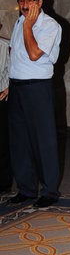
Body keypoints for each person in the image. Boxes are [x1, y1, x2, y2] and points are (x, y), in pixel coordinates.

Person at [7, 0, 62, 208]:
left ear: (40, 3)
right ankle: (27, 189)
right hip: (17, 87)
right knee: (19, 141)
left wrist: (28, 26)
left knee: (43, 141)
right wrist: (9, 83)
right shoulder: (19, 22)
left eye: (30, 0)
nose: (25, 5)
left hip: (38, 88)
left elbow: (33, 54)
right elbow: (15, 55)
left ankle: (49, 191)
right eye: (21, 0)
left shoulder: (50, 25)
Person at [0, 23, 12, 195]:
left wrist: (10, 88)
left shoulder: (6, 46)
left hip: (1, 98)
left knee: (2, 144)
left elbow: (15, 70)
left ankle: (3, 183)